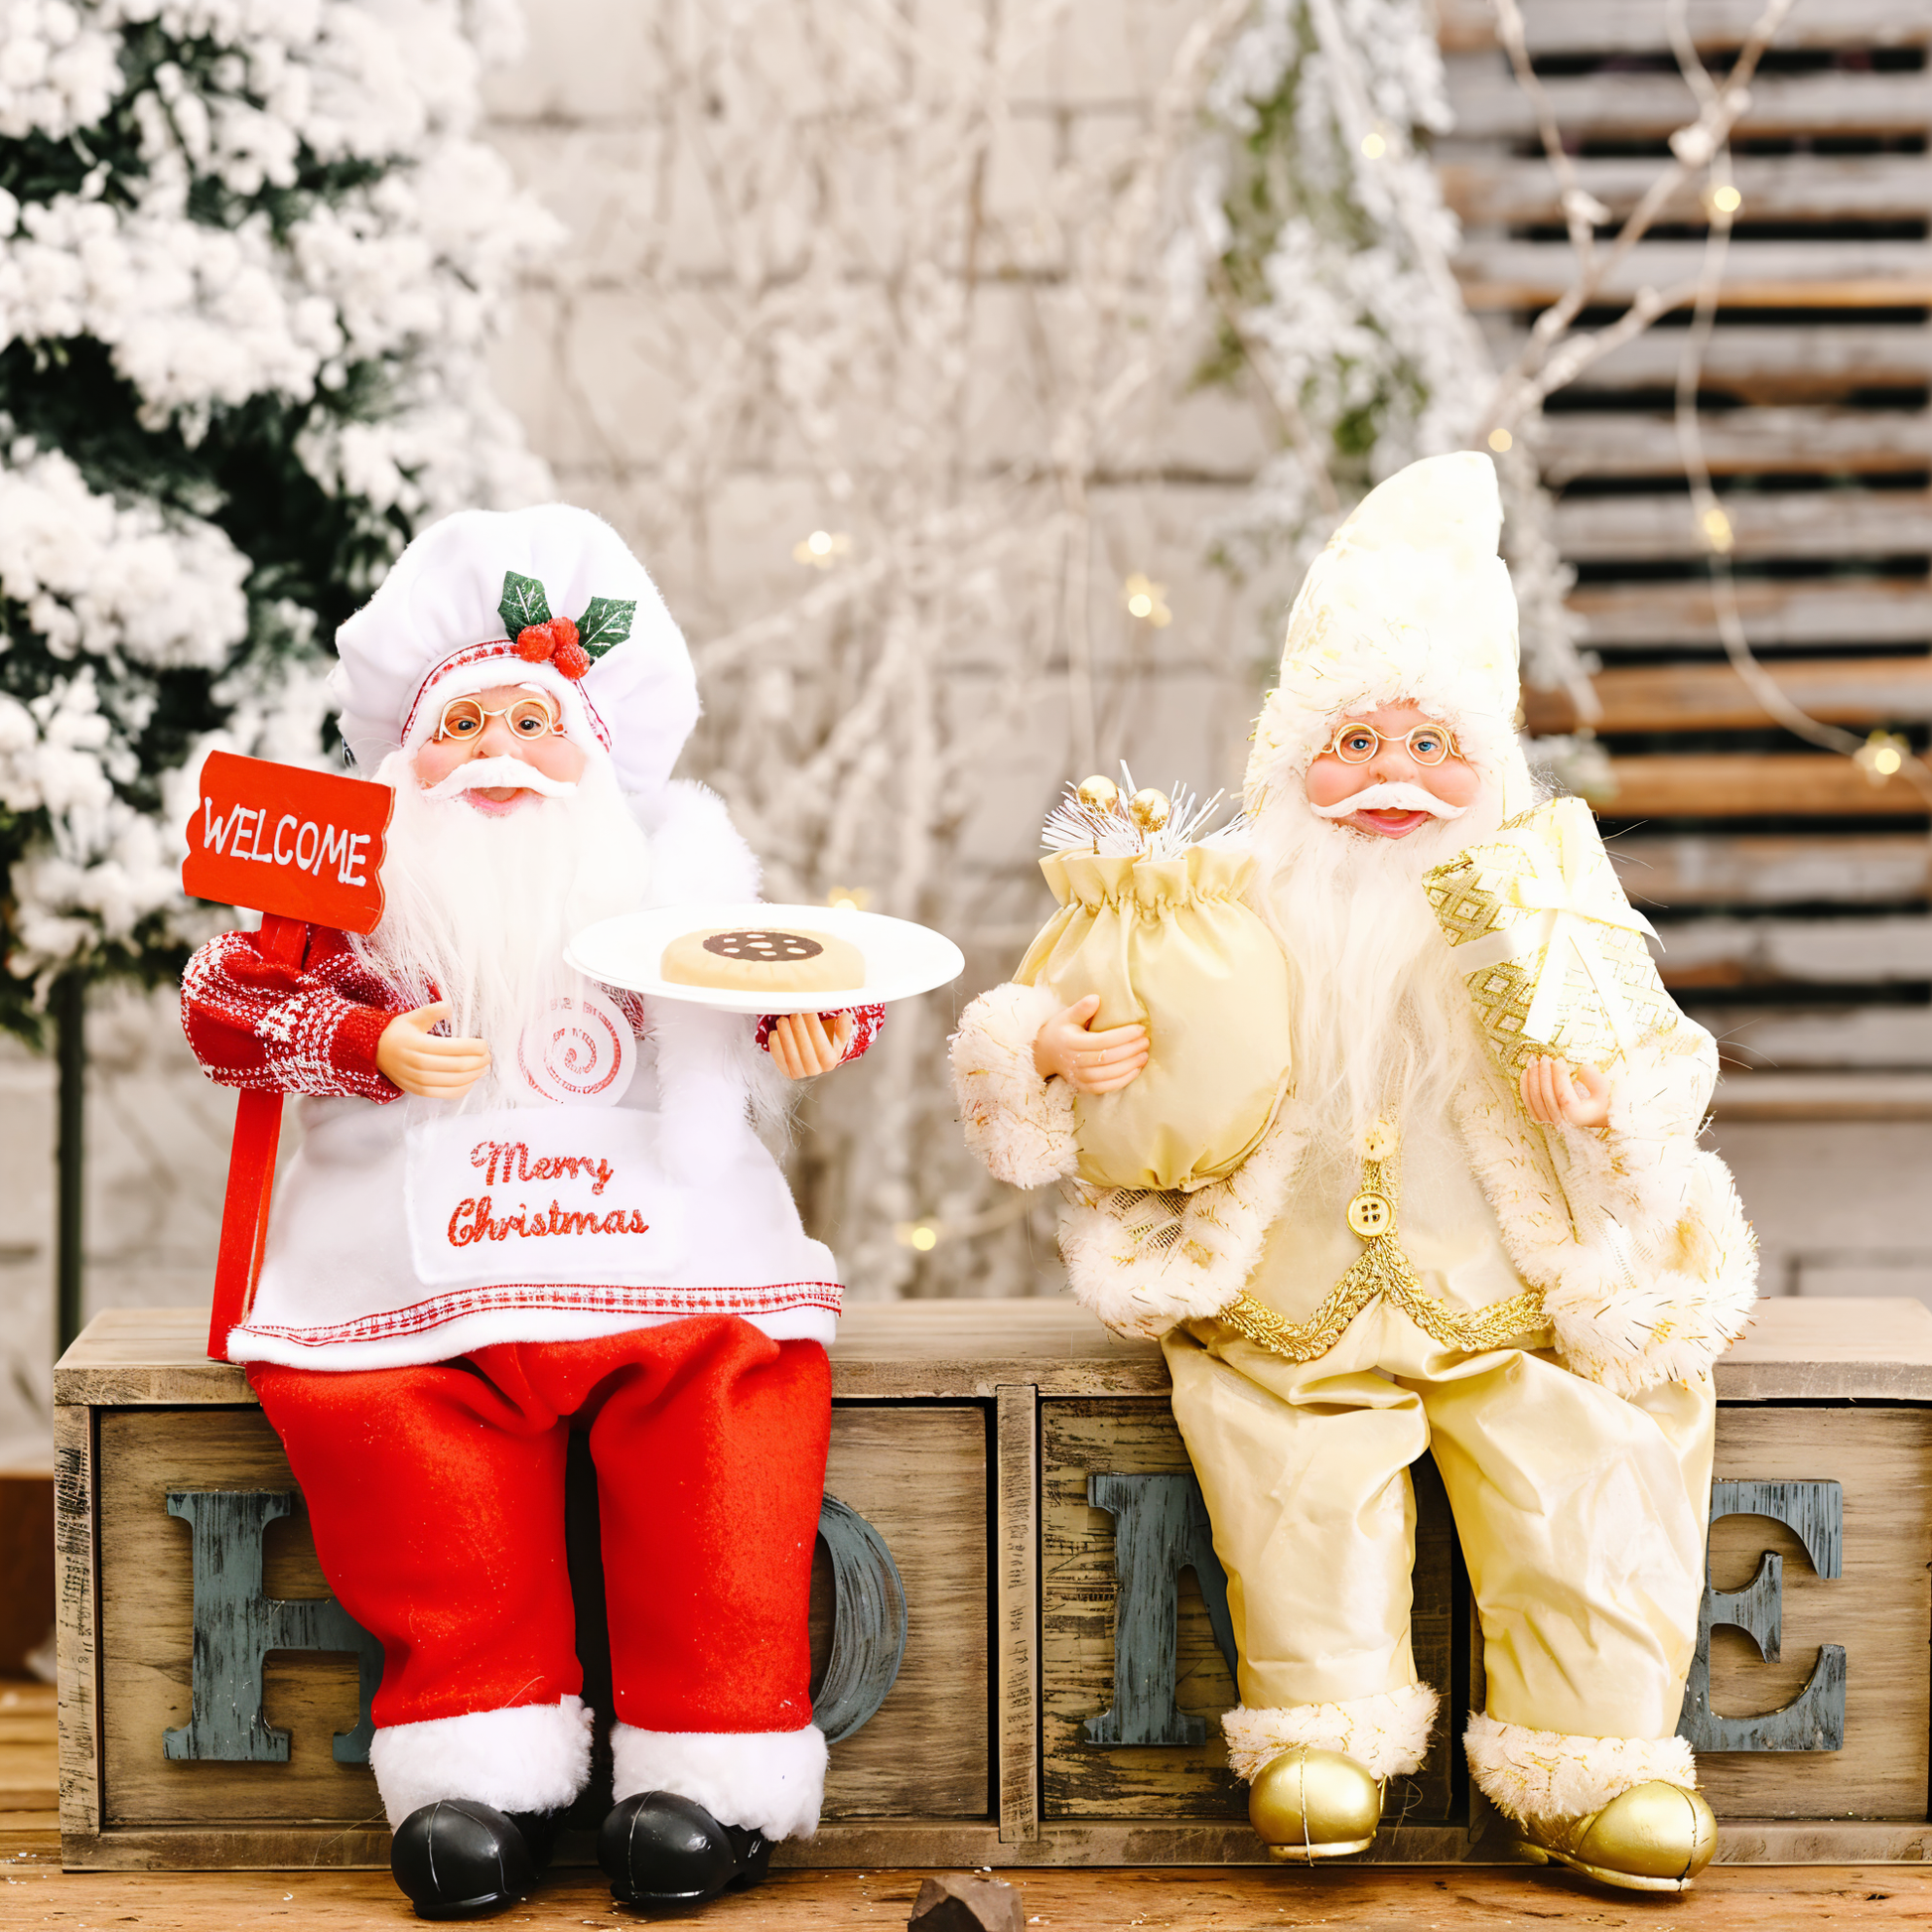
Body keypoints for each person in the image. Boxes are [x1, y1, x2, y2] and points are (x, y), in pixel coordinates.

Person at [949, 453, 1757, 1893]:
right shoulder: (1224, 897)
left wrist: (1600, 1096)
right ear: (1286, 760)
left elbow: (1658, 1051)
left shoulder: (1536, 896)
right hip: (1291, 1298)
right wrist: (1055, 1052)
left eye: (1431, 745)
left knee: (1587, 1460)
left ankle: (1596, 1754)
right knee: (1286, 1472)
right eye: (1356, 742)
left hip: (1506, 1291)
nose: (1392, 780)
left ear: (1487, 765)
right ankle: (1319, 1728)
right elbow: (1076, 998)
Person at [181, 505, 880, 1918]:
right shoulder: (350, 893)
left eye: (531, 720)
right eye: (462, 724)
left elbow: (793, 964)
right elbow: (224, 1008)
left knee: (728, 1424)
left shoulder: (666, 874)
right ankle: (477, 1759)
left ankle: (711, 1764)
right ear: (402, 757)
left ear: (600, 753)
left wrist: (805, 1022)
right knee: (399, 1440)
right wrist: (361, 1042)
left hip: (668, 1269)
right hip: (413, 1277)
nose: (495, 749)